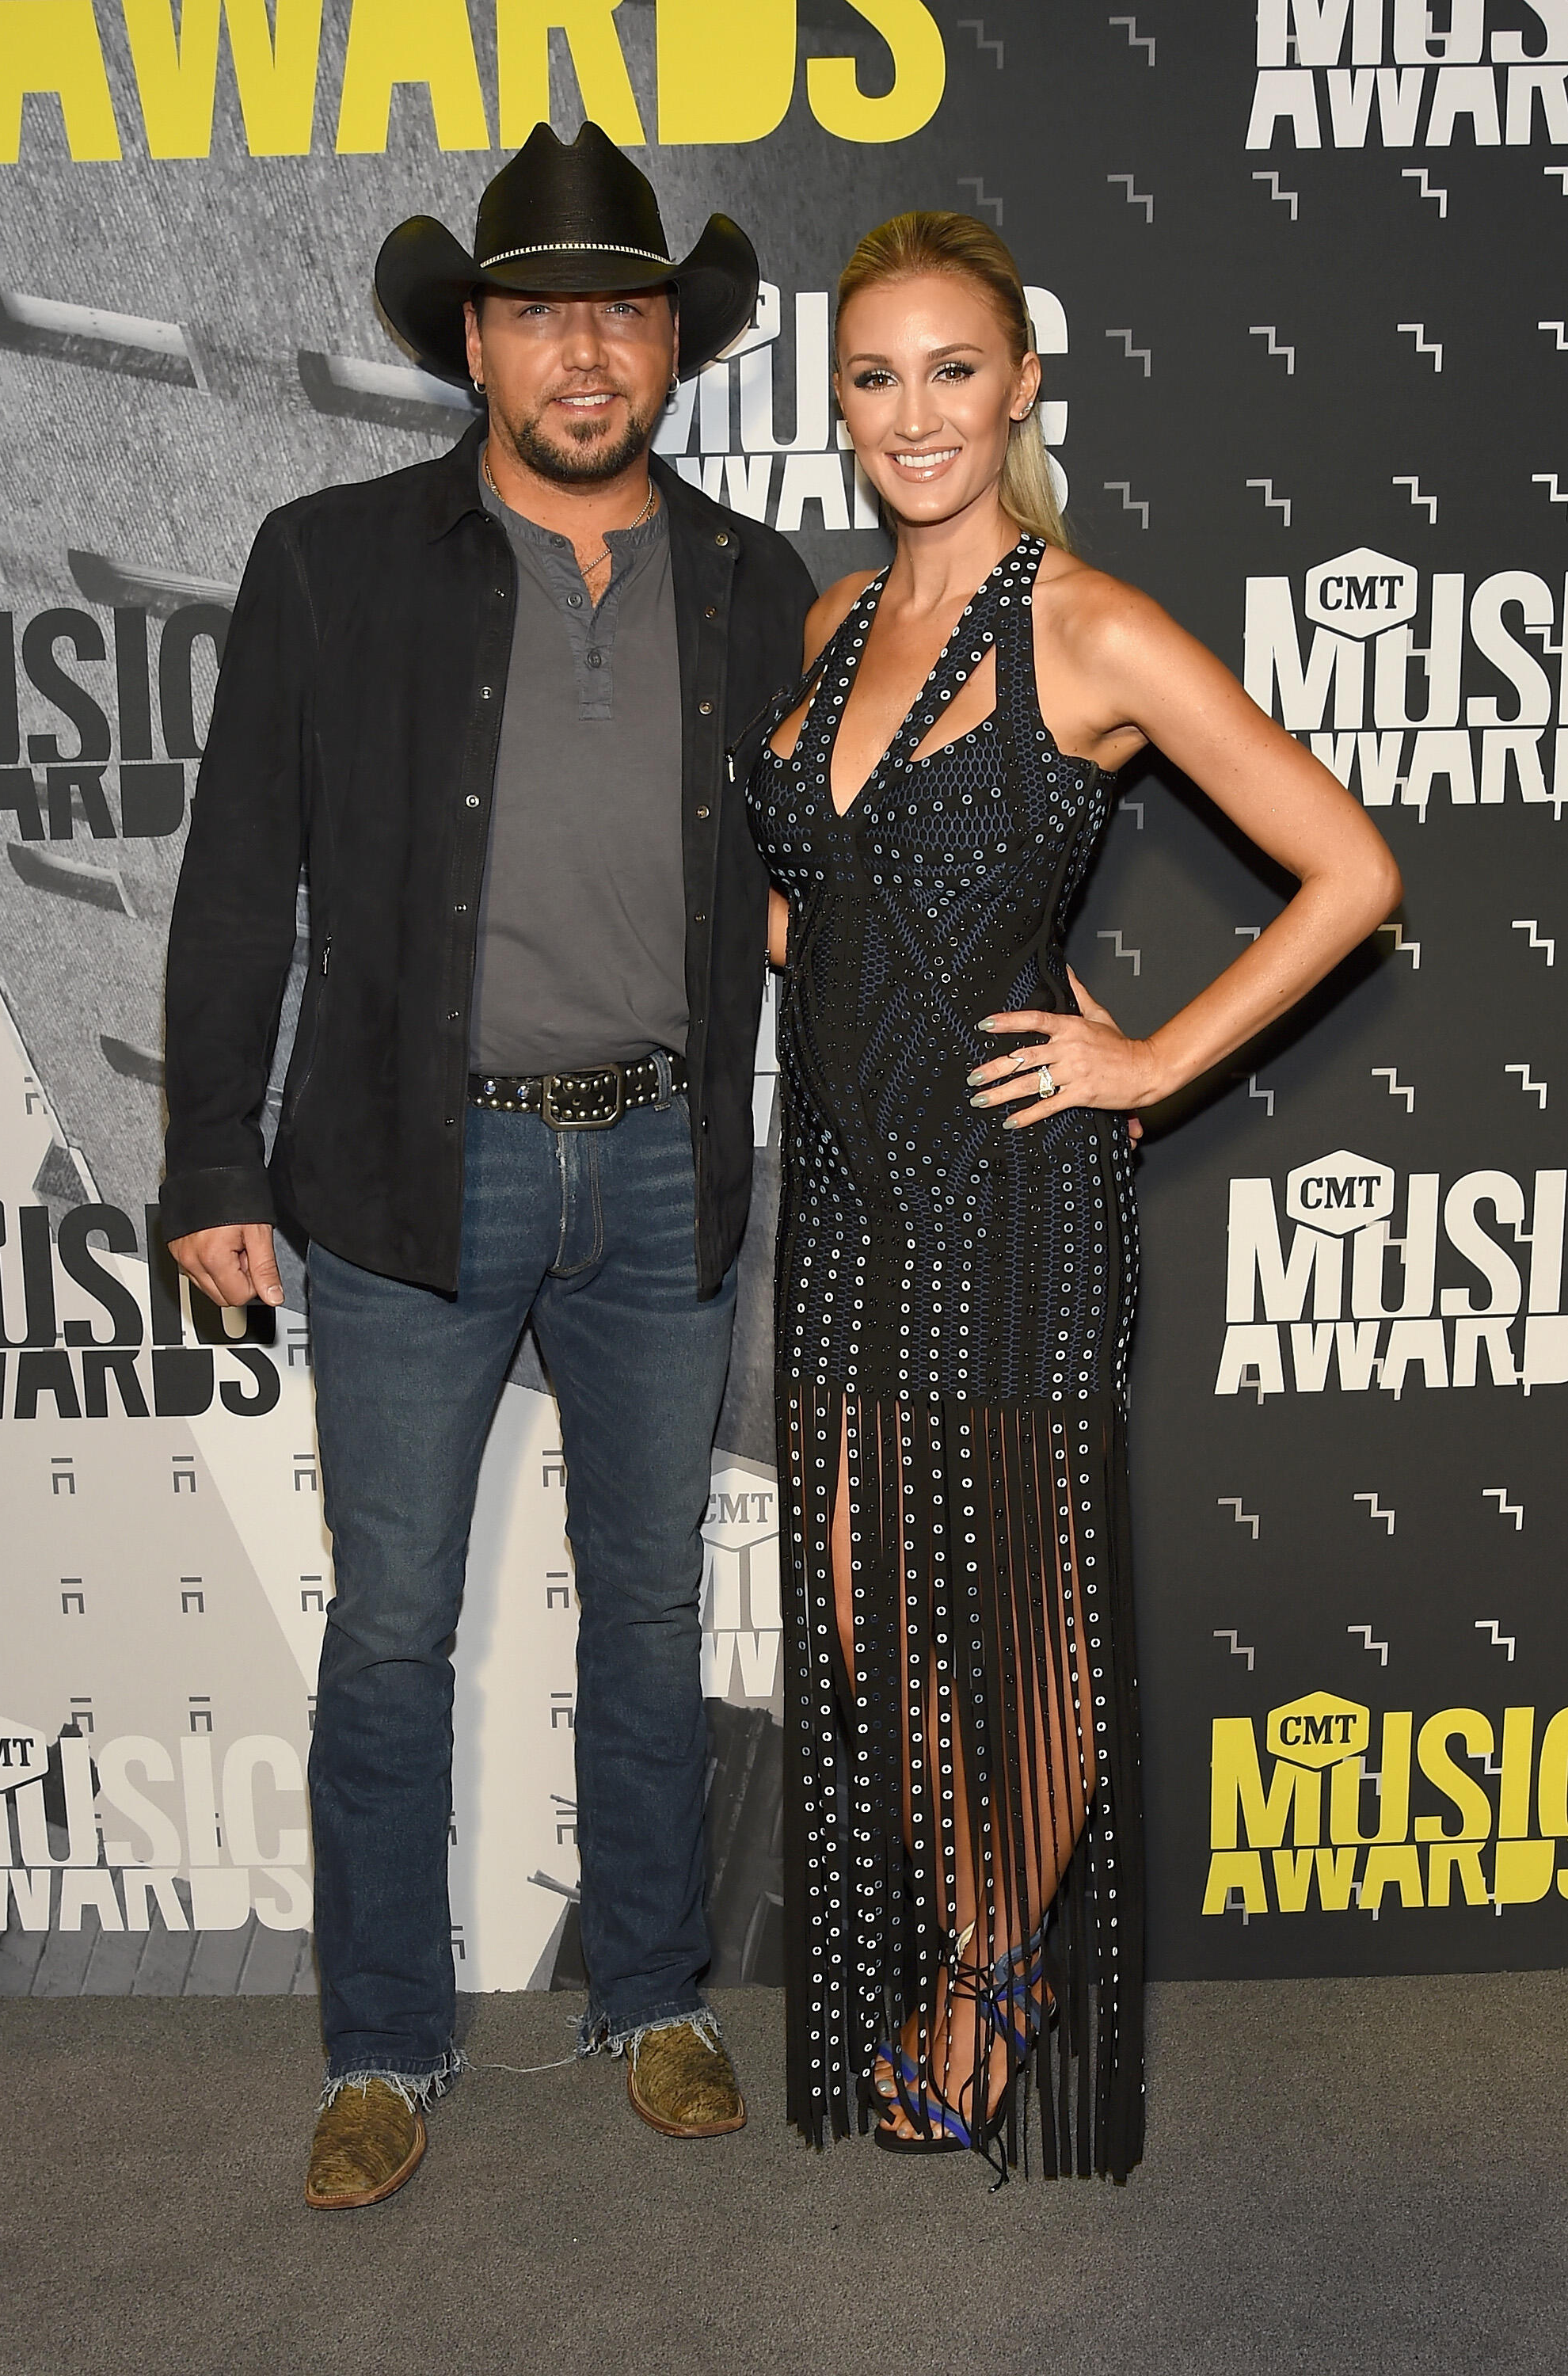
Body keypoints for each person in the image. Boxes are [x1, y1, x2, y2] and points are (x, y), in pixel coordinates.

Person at [161, 121, 813, 2210]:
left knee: (642, 1615)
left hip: (658, 1176)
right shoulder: (327, 558)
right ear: (475, 338)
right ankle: (380, 2043)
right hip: (396, 1183)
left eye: (620, 311)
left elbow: (806, 878)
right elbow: (237, 885)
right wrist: (204, 1162)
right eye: (542, 313)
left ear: (669, 344)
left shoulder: (751, 579)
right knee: (395, 1631)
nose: (585, 352)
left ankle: (650, 1994)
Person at [746, 212, 1401, 2180]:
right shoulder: (830, 627)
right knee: (871, 1616)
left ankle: (983, 1979)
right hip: (858, 1200)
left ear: (1021, 383)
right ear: (838, 400)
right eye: (873, 376)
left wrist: (1139, 1061)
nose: (912, 413)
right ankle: (979, 1936)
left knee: (1008, 1625)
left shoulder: (1087, 628)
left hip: (1016, 1202)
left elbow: (1348, 868)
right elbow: (819, 900)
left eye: (953, 369)